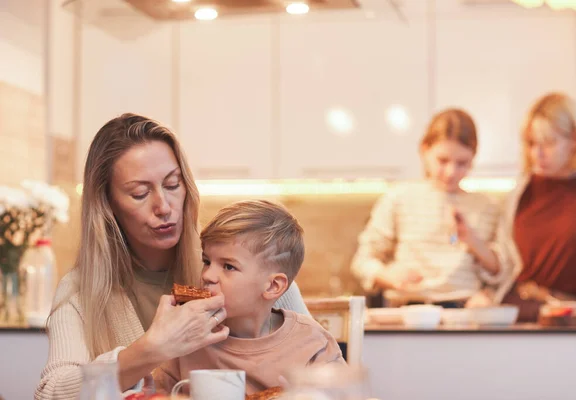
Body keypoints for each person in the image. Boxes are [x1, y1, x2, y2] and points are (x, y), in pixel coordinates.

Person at [36, 114, 308, 399]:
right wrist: (152, 348)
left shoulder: (247, 267)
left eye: (172, 184)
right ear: (108, 205)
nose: (164, 206)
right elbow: (50, 392)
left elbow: (313, 364)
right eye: (140, 193)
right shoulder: (80, 291)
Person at [154, 200, 345, 396]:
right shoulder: (188, 339)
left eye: (228, 266)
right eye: (207, 261)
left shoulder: (312, 344)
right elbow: (152, 393)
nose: (207, 275)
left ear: (273, 286)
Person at [351, 108, 508, 307]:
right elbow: (362, 260)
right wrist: (388, 275)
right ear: (424, 150)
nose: (451, 172)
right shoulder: (399, 198)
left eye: (462, 163)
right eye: (442, 161)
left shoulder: (487, 207)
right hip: (408, 310)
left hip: (465, 313)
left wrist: (472, 240)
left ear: (474, 157)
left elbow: (501, 273)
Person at [493, 93, 576, 321]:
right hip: (518, 313)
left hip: (569, 316)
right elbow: (505, 262)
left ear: (575, 141)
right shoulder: (520, 192)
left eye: (549, 143)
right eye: (532, 143)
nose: (537, 154)